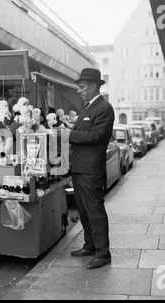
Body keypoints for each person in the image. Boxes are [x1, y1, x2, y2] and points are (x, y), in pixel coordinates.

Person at [68, 68, 115, 270]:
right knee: (84, 209)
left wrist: (67, 134)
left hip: (90, 169)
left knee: (94, 210)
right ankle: (90, 245)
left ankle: (103, 253)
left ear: (94, 86)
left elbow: (97, 136)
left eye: (83, 87)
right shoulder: (88, 108)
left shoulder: (104, 107)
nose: (80, 91)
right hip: (79, 167)